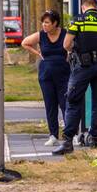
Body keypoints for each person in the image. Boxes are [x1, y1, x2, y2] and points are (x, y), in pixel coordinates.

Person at [51, 0, 97, 154]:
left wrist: (71, 52)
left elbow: (66, 44)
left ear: (83, 7)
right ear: (96, 6)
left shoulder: (79, 20)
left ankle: (68, 140)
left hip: (82, 66)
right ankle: (94, 138)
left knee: (73, 101)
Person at [20, 9, 69, 146]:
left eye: (47, 23)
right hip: (46, 75)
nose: (44, 25)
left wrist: (69, 55)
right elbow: (25, 43)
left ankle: (70, 134)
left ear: (55, 23)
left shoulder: (65, 34)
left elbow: (73, 46)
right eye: (43, 22)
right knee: (50, 105)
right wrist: (37, 53)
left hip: (63, 74)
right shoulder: (41, 35)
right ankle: (53, 135)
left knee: (65, 103)